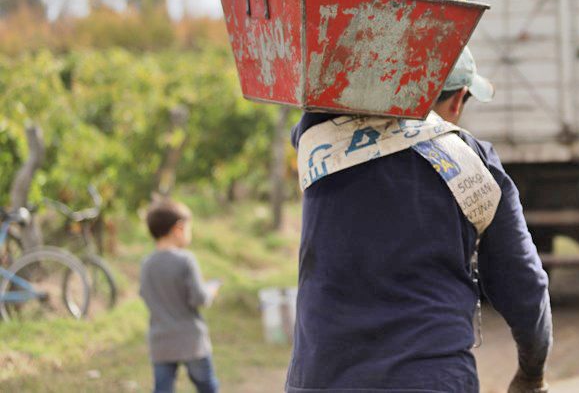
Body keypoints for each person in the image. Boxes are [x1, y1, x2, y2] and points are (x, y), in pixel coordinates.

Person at [286, 47, 552, 393]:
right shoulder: (476, 164)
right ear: (458, 100)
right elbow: (526, 285)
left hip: (321, 380)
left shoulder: (319, 140)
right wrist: (531, 374)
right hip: (431, 380)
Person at [140, 199, 221, 393]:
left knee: (163, 389)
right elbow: (199, 298)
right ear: (178, 229)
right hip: (191, 340)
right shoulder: (185, 260)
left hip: (161, 342)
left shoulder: (147, 264)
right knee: (206, 385)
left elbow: (145, 294)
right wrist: (211, 290)